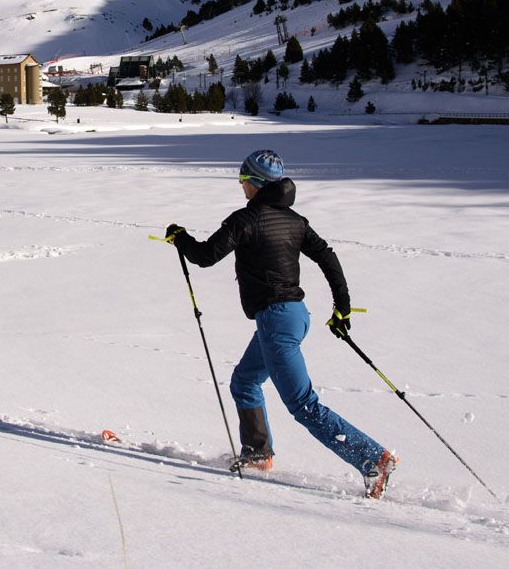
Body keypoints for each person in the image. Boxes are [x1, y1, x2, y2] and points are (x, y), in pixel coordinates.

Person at [166, 149, 398, 499]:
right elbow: (327, 256)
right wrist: (342, 308)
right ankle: (258, 453)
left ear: (256, 183)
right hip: (292, 316)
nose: (241, 185)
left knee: (304, 406)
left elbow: (204, 256)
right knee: (244, 381)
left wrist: (178, 236)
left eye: (243, 179)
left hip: (276, 321)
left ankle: (373, 459)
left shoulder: (246, 220)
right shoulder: (295, 220)